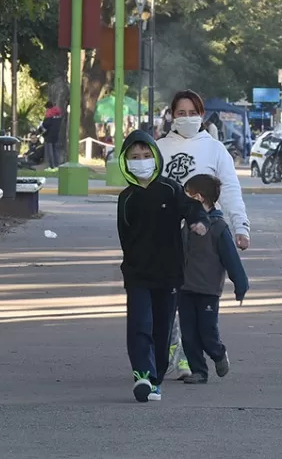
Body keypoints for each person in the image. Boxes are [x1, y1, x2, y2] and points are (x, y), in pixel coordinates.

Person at [157, 89, 250, 378]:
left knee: (194, 303)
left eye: (192, 112)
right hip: (167, 236)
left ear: (201, 114)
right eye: (180, 113)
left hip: (202, 236)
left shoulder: (215, 149)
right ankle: (178, 354)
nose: (186, 118)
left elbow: (231, 190)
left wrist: (241, 226)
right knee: (167, 301)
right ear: (172, 115)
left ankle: (193, 356)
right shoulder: (159, 148)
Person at [116, 130, 207, 403]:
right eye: (134, 157)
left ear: (155, 157)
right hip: (138, 275)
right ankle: (142, 375)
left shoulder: (170, 189)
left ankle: (155, 380)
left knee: (162, 328)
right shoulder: (127, 198)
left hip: (168, 275)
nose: (141, 161)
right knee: (139, 325)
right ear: (125, 161)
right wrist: (130, 268)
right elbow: (125, 236)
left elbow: (191, 207)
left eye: (146, 156)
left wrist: (197, 221)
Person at [178, 174, 249, 385]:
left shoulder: (218, 228)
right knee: (188, 334)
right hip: (185, 287)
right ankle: (199, 371)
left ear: (198, 198)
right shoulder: (186, 225)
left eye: (187, 197)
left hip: (208, 289)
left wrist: (240, 284)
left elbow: (231, 259)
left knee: (207, 332)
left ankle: (218, 353)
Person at [41, 102, 64, 168]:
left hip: (49, 135)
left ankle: (52, 165)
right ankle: (57, 164)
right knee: (55, 150)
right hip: (56, 134)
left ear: (48, 107)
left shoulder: (49, 114)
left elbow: (45, 124)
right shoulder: (58, 114)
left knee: (50, 151)